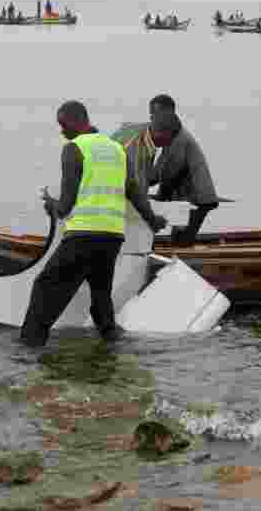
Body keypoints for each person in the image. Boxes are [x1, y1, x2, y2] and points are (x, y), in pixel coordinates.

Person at [20, 101, 166, 347]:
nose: (62, 131)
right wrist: (152, 220)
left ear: (78, 121)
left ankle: (28, 347)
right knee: (100, 294)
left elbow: (65, 206)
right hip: (112, 237)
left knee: (46, 286)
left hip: (83, 236)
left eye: (63, 125)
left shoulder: (74, 148)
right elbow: (133, 190)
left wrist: (50, 205)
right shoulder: (116, 149)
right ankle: (112, 341)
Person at [148, 94, 219, 246]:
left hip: (198, 199)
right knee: (176, 240)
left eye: (154, 113)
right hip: (186, 200)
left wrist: (159, 198)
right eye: (151, 114)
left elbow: (170, 176)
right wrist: (138, 182)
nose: (151, 117)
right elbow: (158, 171)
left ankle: (183, 264)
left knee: (180, 243)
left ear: (168, 112)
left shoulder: (180, 139)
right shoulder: (169, 136)